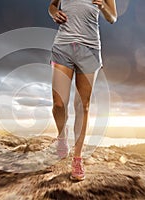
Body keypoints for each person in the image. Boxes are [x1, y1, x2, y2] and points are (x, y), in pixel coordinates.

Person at [48, 0, 117, 181]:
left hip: (90, 48)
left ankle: (77, 158)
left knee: (82, 106)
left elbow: (113, 18)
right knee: (58, 103)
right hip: (63, 45)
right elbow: (53, 5)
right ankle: (62, 136)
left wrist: (103, 6)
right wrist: (54, 12)